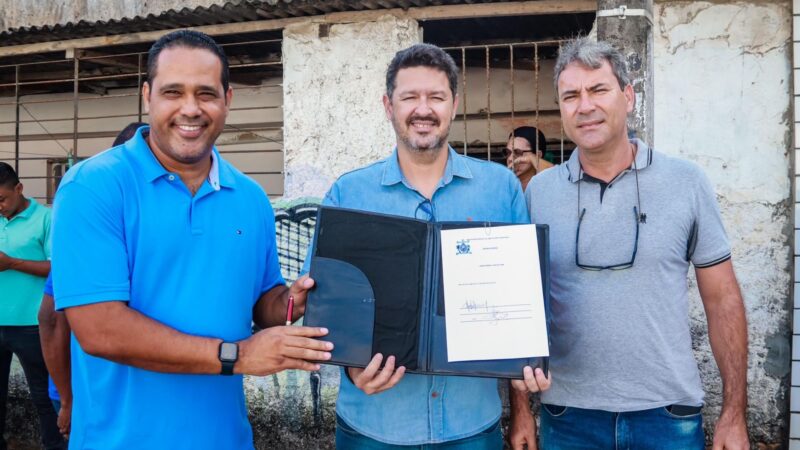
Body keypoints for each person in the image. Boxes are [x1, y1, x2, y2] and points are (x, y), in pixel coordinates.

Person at [50, 30, 331, 449]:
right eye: (173, 92)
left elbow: (261, 302)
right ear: (147, 96)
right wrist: (239, 356)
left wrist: (294, 299)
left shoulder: (250, 197)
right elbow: (101, 330)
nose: (190, 109)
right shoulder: (93, 187)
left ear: (227, 100)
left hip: (226, 438)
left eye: (206, 93)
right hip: (122, 439)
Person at [312, 43, 550, 449]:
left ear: (453, 104)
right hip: (373, 426)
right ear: (389, 106)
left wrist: (522, 411)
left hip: (472, 427)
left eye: (436, 97)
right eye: (410, 97)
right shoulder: (348, 193)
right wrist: (352, 371)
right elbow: (327, 307)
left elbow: (517, 308)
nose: (423, 109)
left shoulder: (500, 189)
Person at [518, 37, 749, 449]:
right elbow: (518, 308)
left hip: (668, 417)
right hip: (568, 417)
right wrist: (521, 411)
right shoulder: (539, 193)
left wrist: (734, 412)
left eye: (598, 90)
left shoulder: (686, 182)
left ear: (628, 96)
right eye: (570, 95)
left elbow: (723, 300)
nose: (584, 105)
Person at [37, 121, 148, 440]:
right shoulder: (91, 216)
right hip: (97, 396)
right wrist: (68, 399)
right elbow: (50, 318)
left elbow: (50, 318)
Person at [0, 162, 65, 450]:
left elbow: (58, 267)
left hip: (31, 325)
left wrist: (11, 263)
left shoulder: (47, 218)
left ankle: (54, 446)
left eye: (2, 199)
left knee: (43, 397)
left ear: (19, 188)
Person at [504, 126, 554, 190]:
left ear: (537, 155)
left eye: (518, 152)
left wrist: (531, 158)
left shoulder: (548, 186)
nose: (510, 159)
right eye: (508, 152)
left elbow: (558, 177)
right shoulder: (503, 186)